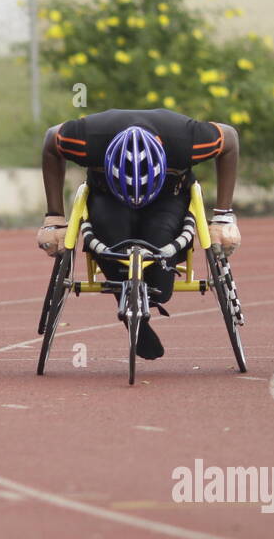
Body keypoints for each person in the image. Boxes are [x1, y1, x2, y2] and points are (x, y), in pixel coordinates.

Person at [38, 107, 241, 360]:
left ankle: (152, 287)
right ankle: (128, 306)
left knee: (160, 273)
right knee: (111, 241)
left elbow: (229, 138)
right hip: (108, 194)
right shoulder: (86, 138)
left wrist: (223, 215)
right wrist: (54, 217)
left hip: (168, 194)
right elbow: (50, 141)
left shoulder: (187, 139)